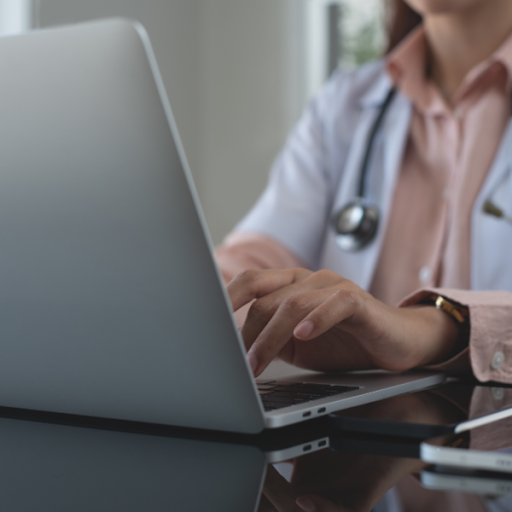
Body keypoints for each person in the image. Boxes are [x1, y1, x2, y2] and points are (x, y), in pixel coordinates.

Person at [216, 0, 512, 383]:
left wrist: (430, 327)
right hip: (356, 434)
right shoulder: (343, 105)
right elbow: (254, 264)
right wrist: (174, 301)